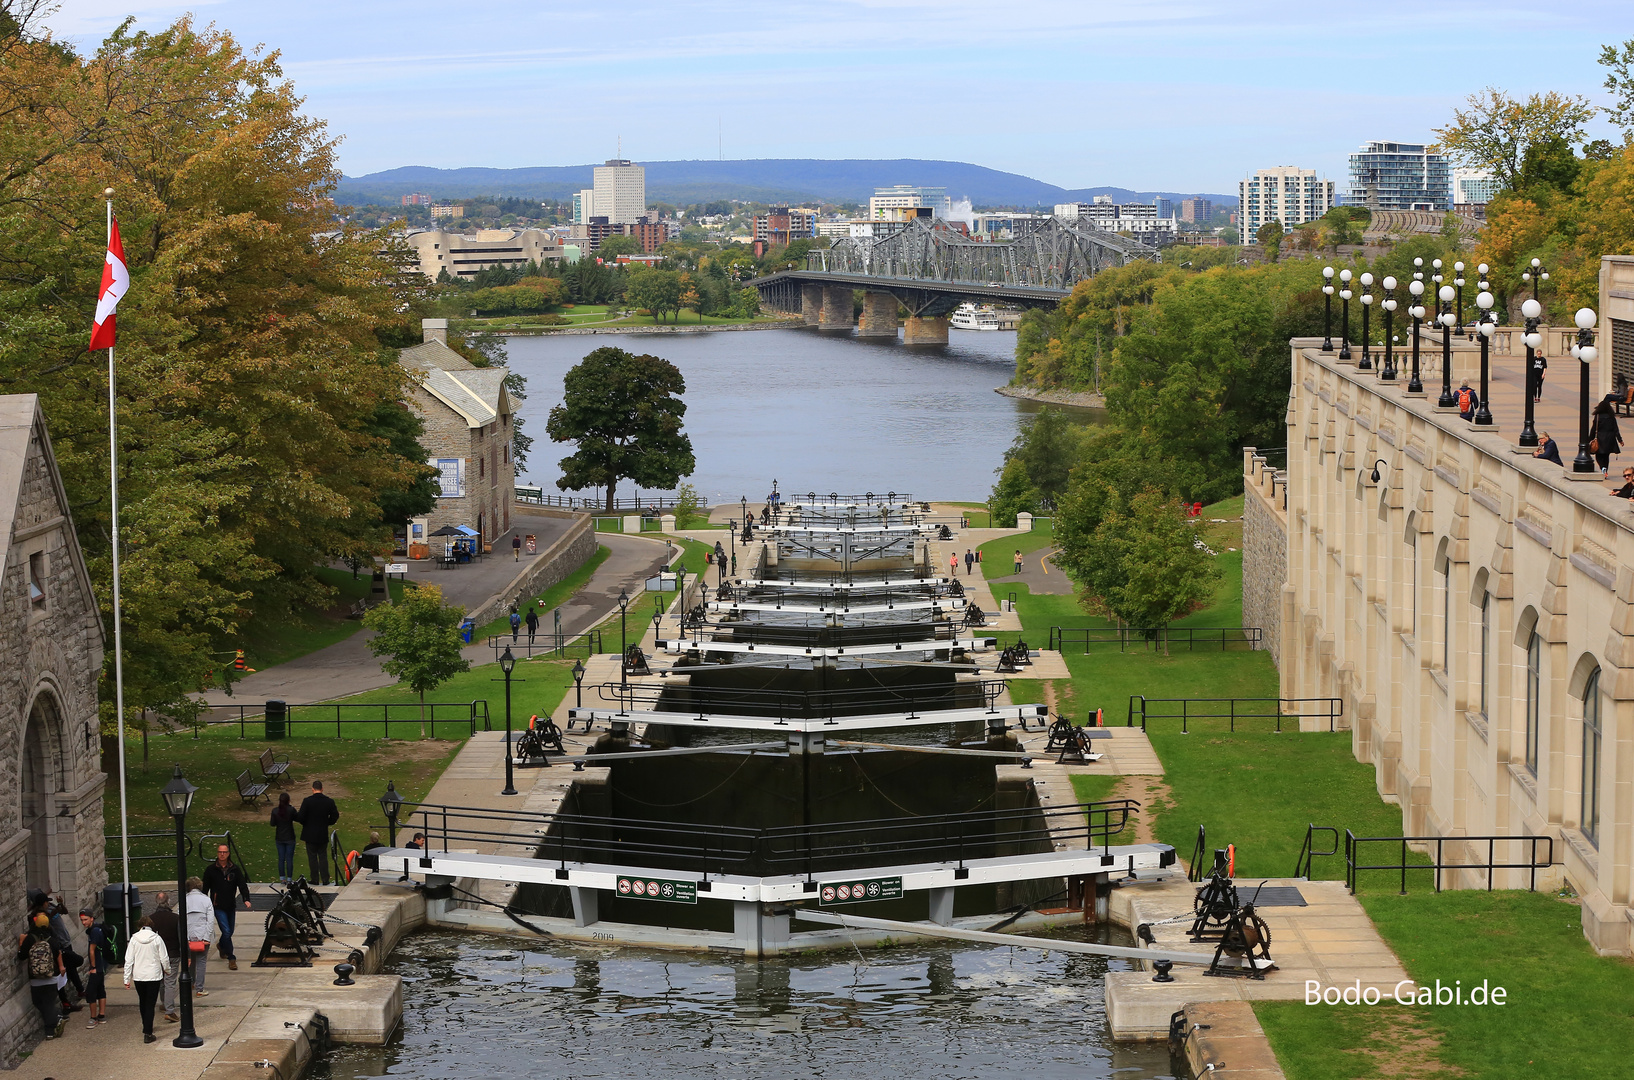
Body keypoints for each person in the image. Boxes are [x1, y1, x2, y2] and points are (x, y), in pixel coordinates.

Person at [202, 843, 252, 970]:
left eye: (224, 852)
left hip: (230, 905)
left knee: (230, 932)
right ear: (217, 853)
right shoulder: (211, 870)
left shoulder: (234, 869)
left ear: (228, 853)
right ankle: (231, 957)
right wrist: (203, 903)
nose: (222, 854)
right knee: (226, 931)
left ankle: (221, 945)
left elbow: (242, 885)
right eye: (220, 852)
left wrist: (246, 899)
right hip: (217, 906)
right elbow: (205, 888)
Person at [122, 916, 170, 1044]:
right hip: (153, 975)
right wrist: (167, 970)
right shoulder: (157, 939)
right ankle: (148, 1032)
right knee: (151, 1003)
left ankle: (146, 1025)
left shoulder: (134, 939)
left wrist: (127, 978)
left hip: (139, 976)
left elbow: (129, 960)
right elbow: (164, 958)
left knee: (142, 1001)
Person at [17, 911, 63, 1039]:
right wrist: (61, 967)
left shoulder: (30, 939)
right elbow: (58, 953)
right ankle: (54, 1020)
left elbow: (21, 956)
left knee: (38, 1002)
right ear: (48, 925)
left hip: (35, 979)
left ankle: (50, 1029)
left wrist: (21, 943)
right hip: (51, 977)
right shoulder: (52, 940)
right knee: (49, 1003)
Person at [143, 895, 181, 1023]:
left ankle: (164, 1003)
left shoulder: (151, 920)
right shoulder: (176, 918)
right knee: (170, 982)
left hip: (156, 955)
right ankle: (170, 1010)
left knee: (161, 981)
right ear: (169, 902)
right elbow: (181, 937)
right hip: (172, 953)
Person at [297, 779, 341, 886]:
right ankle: (325, 879)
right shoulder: (329, 801)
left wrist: (306, 824)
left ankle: (315, 879)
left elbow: (300, 817)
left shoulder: (307, 801)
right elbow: (335, 816)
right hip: (322, 833)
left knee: (312, 857)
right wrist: (327, 822)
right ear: (322, 789)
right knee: (323, 856)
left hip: (310, 833)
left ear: (312, 789)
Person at [184, 876, 216, 996]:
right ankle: (199, 988)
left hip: (189, 935)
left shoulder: (184, 900)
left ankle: (191, 981)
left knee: (190, 960)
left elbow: (180, 920)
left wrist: (185, 937)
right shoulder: (206, 900)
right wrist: (207, 937)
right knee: (201, 962)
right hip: (202, 935)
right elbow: (210, 920)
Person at [77, 911, 107, 1027]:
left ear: (91, 919)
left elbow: (91, 951)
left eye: (85, 920)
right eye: (82, 920)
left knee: (91, 992)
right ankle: (102, 1015)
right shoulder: (98, 929)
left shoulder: (94, 932)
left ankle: (93, 1018)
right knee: (100, 989)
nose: (83, 922)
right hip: (102, 965)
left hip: (97, 966)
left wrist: (93, 967)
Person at [270, 791, 298, 884]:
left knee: (281, 858)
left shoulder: (275, 811)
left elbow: (272, 823)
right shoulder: (291, 810)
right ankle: (289, 878)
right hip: (289, 837)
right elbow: (297, 818)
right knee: (289, 858)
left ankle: (282, 878)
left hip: (279, 837)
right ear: (288, 801)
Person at [1591, 399, 1624, 478]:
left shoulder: (1598, 416)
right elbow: (1616, 429)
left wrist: (1589, 439)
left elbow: (1593, 429)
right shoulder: (1611, 417)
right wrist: (1620, 440)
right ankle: (1605, 469)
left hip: (1600, 437)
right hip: (1610, 438)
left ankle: (1602, 467)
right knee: (1606, 455)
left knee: (1598, 455)